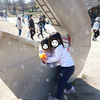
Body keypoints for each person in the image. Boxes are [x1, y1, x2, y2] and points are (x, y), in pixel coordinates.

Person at [43, 32, 75, 100]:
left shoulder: (58, 48)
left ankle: (56, 98)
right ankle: (71, 89)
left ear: (59, 40)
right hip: (67, 67)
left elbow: (56, 59)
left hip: (67, 68)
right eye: (52, 42)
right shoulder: (59, 47)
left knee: (60, 84)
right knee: (62, 81)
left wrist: (47, 60)